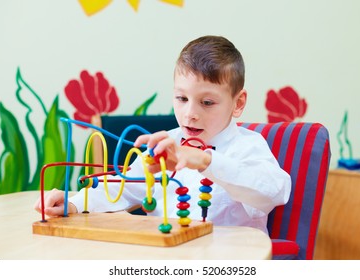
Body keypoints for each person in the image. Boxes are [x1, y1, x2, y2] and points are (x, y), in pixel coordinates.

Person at [34, 35, 291, 234]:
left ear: (238, 103)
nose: (190, 113)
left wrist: (205, 161)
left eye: (207, 103)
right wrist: (74, 203)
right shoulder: (166, 143)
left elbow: (274, 192)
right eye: (181, 98)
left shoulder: (247, 146)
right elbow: (122, 188)